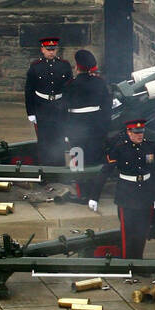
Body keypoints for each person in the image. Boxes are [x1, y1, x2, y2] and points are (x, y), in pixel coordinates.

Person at [104, 120, 155, 259]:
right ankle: (127, 262)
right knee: (128, 231)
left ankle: (138, 260)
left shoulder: (150, 146)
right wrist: (93, 196)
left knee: (142, 230)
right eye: (136, 133)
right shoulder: (120, 148)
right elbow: (106, 171)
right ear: (129, 133)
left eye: (141, 133)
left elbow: (154, 171)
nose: (140, 135)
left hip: (145, 193)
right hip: (126, 194)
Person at [64, 49, 111, 207]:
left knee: (79, 161)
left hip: (77, 130)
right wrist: (103, 128)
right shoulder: (100, 83)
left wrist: (67, 132)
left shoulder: (71, 85)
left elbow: (64, 110)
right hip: (96, 129)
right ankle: (93, 192)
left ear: (77, 68)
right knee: (95, 160)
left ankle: (83, 193)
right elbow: (107, 108)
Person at [24, 37, 73, 167]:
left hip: (59, 106)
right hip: (42, 107)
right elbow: (29, 90)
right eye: (48, 49)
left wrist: (69, 108)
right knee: (44, 141)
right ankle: (45, 170)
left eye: (53, 49)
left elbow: (70, 89)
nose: (51, 52)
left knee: (60, 138)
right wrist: (31, 112)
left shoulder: (64, 65)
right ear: (42, 50)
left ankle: (59, 169)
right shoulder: (35, 67)